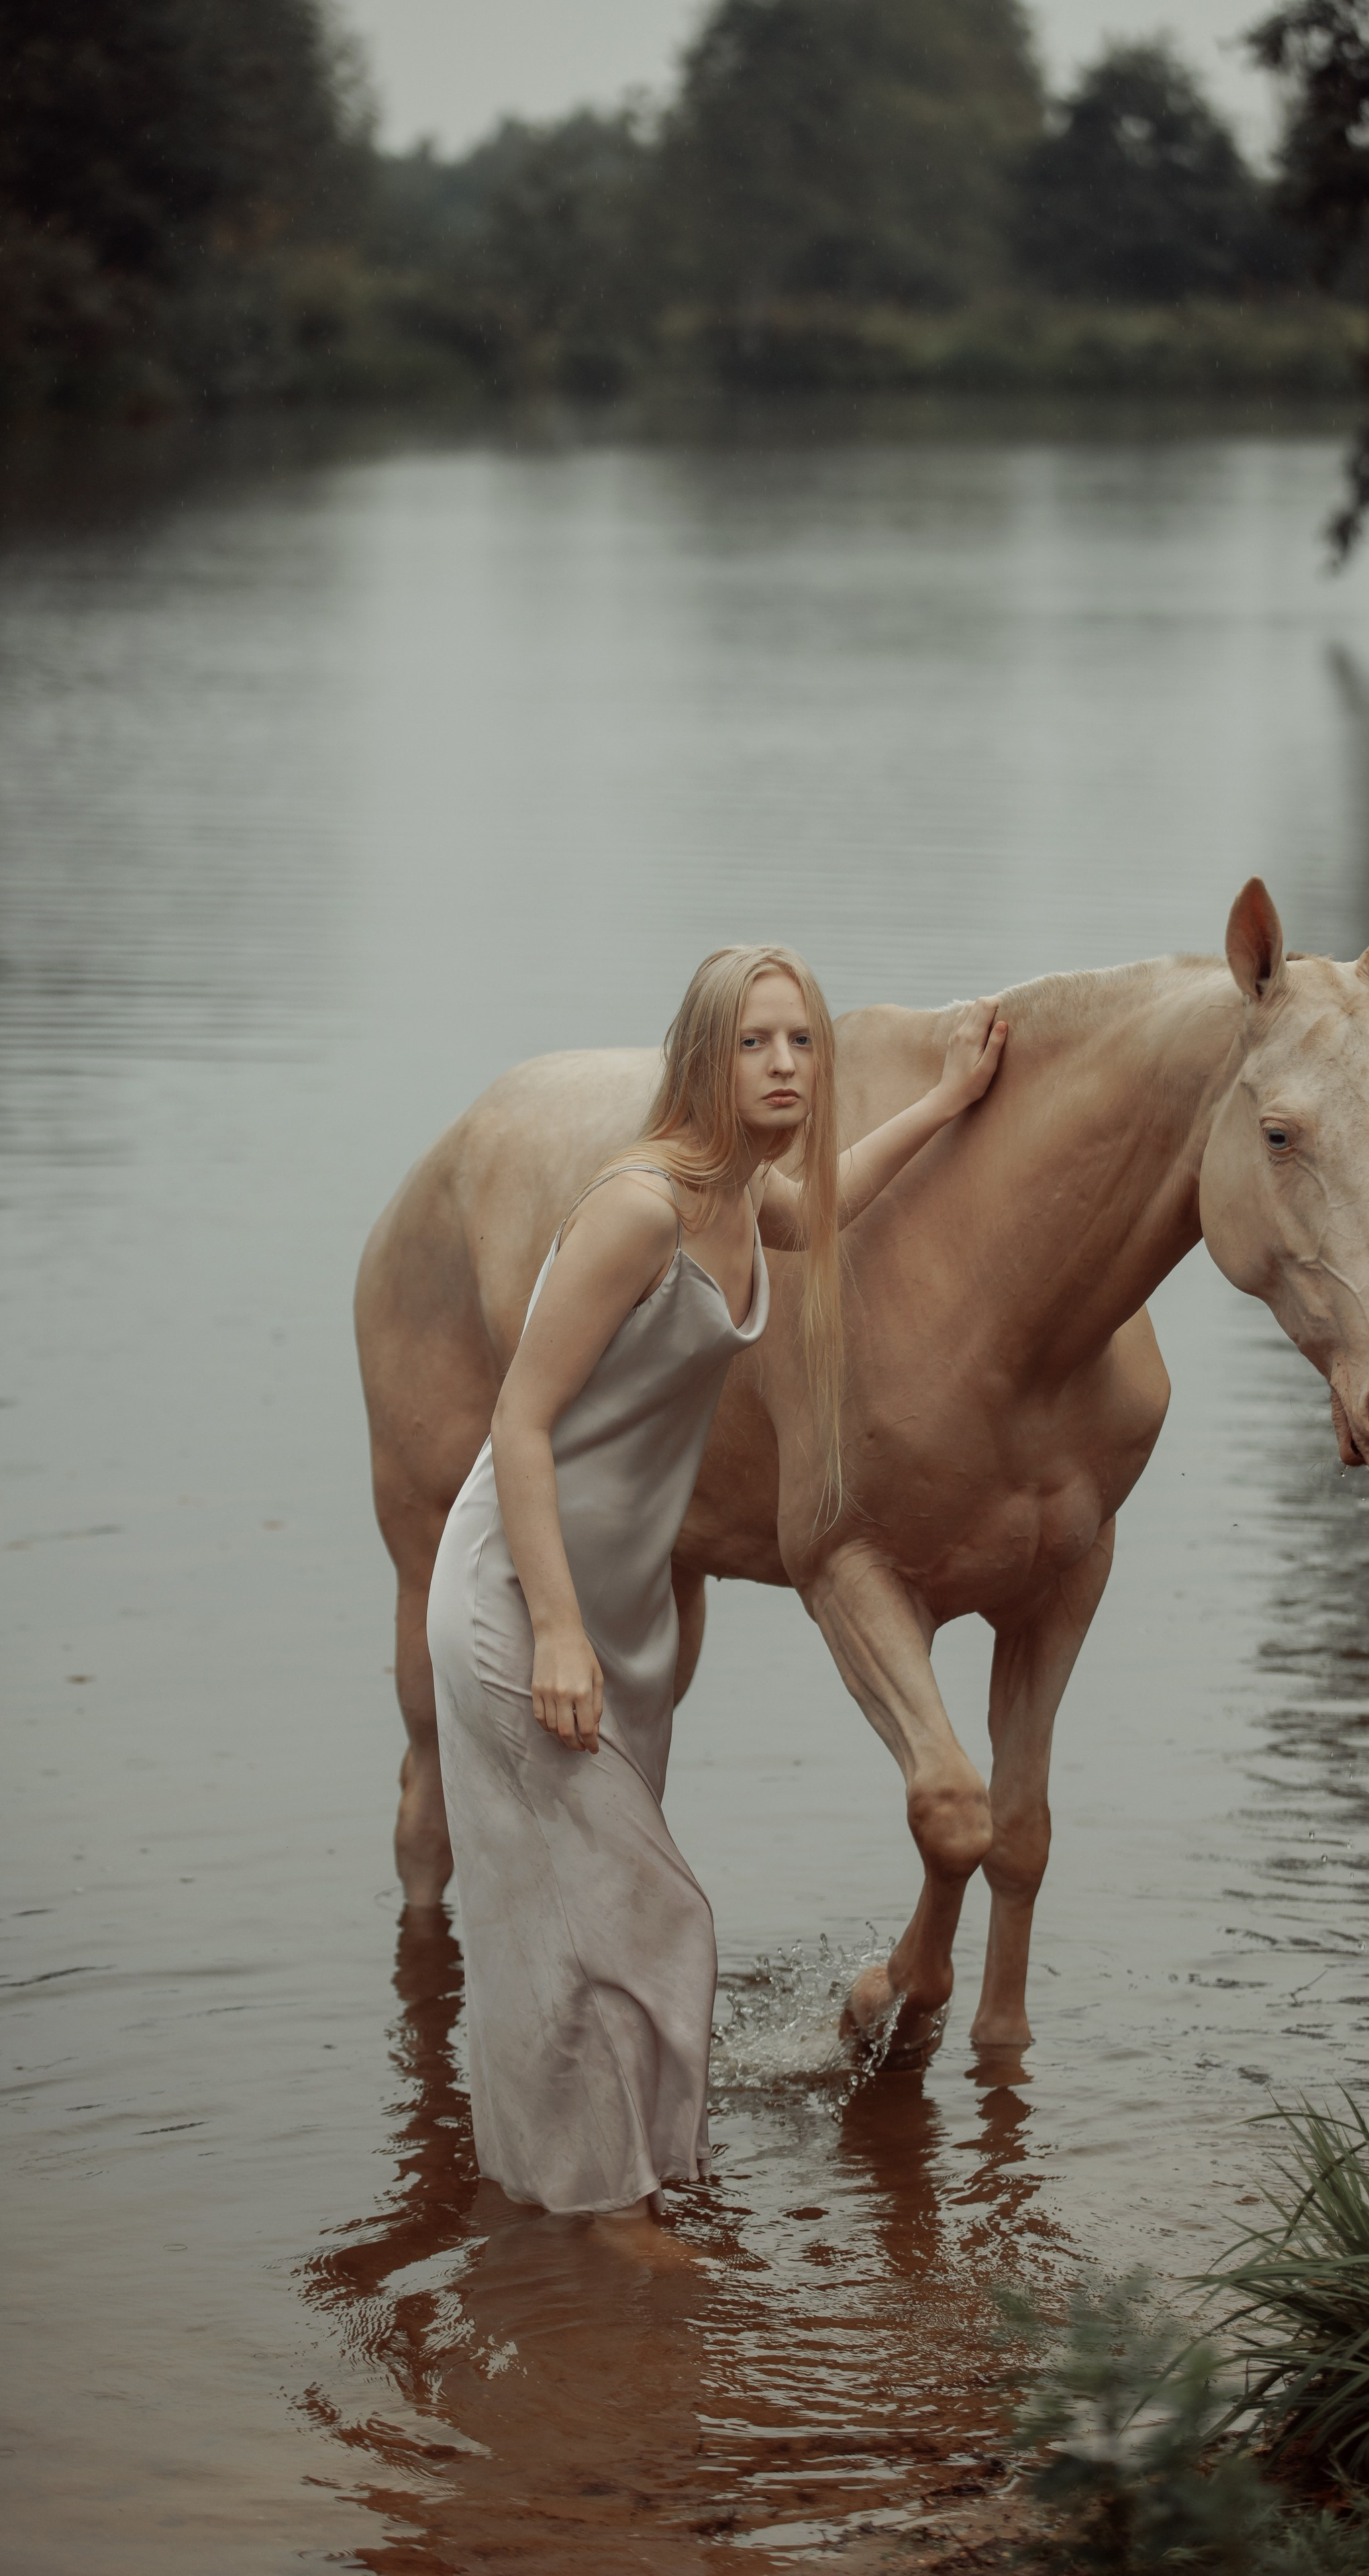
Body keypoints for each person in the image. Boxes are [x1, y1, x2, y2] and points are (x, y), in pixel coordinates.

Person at [425, 944, 1007, 2248]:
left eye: (801, 1041)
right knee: (635, 1908)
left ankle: (593, 2175)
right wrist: (559, 1628)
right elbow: (520, 1423)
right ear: (704, 1056)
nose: (787, 1065)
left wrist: (949, 1100)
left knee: (576, 1915)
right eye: (756, 1043)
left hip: (616, 1609)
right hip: (520, 1599)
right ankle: (606, 2206)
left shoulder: (747, 1202)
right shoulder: (640, 1205)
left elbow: (832, 1198)